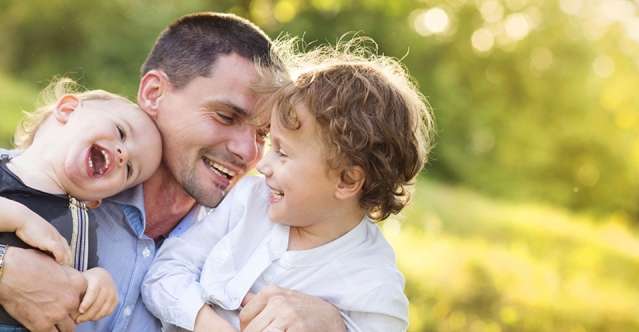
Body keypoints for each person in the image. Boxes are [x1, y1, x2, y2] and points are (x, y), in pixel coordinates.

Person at [0, 12, 347, 332]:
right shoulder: (55, 175)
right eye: (226, 117)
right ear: (154, 93)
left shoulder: (250, 234)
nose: (249, 152)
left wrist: (337, 323)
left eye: (262, 134)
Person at [142, 45, 434, 331]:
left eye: (282, 153)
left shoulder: (373, 284)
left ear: (346, 181)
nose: (262, 165)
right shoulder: (249, 201)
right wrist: (207, 323)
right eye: (272, 144)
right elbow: (163, 272)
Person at [0, 79, 162, 331]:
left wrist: (97, 281)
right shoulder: (4, 169)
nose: (123, 154)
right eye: (121, 131)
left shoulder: (82, 220)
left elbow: (75, 276)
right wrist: (20, 218)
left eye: (130, 169)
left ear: (96, 200)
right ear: (67, 110)